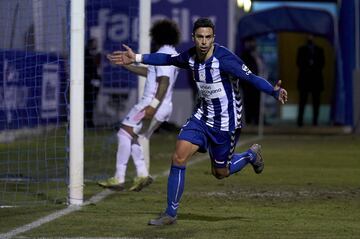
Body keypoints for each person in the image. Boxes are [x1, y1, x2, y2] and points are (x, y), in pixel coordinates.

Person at [108, 17, 287, 225]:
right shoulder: (190, 57)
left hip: (225, 122)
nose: (204, 42)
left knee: (221, 172)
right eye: (200, 37)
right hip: (201, 118)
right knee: (178, 156)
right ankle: (170, 213)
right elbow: (167, 60)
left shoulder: (226, 59)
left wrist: (273, 92)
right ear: (193, 38)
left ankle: (249, 155)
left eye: (208, 37)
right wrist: (136, 57)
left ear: (213, 38)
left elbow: (252, 78)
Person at [98, 19, 181, 192]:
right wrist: (128, 66)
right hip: (164, 107)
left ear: (157, 36)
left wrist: (153, 105)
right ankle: (142, 174)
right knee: (134, 136)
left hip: (151, 103)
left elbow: (164, 81)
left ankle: (119, 177)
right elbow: (150, 71)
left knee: (123, 133)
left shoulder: (164, 52)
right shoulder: (172, 53)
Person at [296, 34, 325, 127]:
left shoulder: (319, 50)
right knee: (302, 101)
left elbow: (322, 63)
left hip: (316, 79)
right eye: (308, 36)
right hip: (304, 79)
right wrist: (308, 66)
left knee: (316, 102)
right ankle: (300, 121)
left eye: (312, 36)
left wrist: (313, 66)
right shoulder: (301, 49)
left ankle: (315, 121)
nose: (310, 37)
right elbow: (298, 62)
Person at [240, 37, 261, 125]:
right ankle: (249, 121)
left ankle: (257, 120)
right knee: (248, 102)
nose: (253, 44)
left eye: (254, 42)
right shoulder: (244, 55)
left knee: (257, 102)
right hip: (247, 83)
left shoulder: (256, 54)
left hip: (257, 83)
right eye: (251, 42)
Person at [85, 38, 102, 128]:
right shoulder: (85, 54)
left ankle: (89, 122)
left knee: (91, 104)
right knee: (86, 104)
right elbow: (85, 70)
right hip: (87, 85)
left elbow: (96, 70)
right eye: (94, 43)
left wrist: (98, 79)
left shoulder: (97, 54)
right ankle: (86, 123)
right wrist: (90, 81)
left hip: (94, 84)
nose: (96, 45)